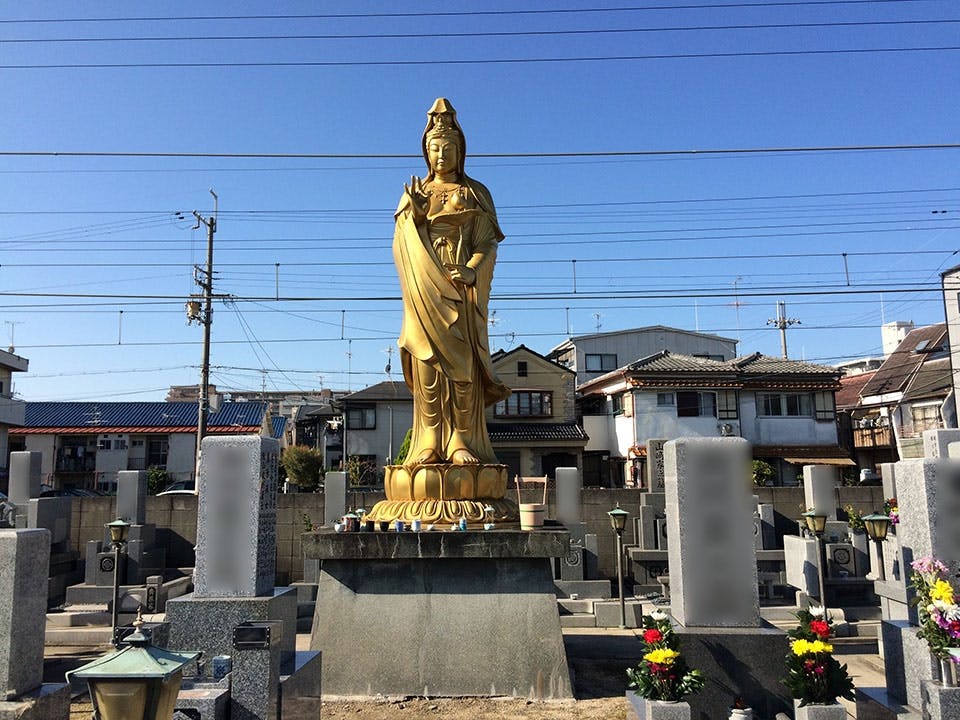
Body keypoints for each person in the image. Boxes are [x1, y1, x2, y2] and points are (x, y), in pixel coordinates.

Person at [393, 98, 510, 467]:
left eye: (448, 148)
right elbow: (400, 244)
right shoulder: (416, 193)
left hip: (460, 292)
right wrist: (414, 216)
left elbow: (487, 243)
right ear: (426, 153)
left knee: (461, 370)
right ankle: (428, 440)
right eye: (435, 148)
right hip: (425, 293)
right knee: (428, 367)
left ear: (461, 152)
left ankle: (462, 441)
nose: (441, 155)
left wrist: (473, 271)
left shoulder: (474, 194)